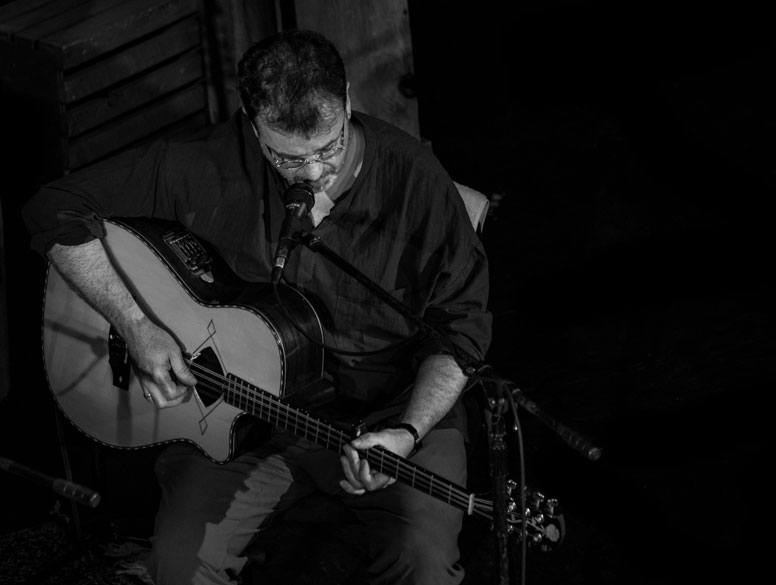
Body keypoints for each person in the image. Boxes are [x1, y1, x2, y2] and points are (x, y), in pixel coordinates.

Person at [22, 29, 491, 585]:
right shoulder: (205, 162)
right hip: (250, 421)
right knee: (178, 564)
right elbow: (55, 210)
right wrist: (136, 323)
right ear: (253, 121)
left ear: (345, 98)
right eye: (288, 157)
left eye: (330, 147)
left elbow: (460, 332)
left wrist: (409, 431)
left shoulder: (417, 184)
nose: (314, 173)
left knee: (424, 563)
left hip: (391, 415)